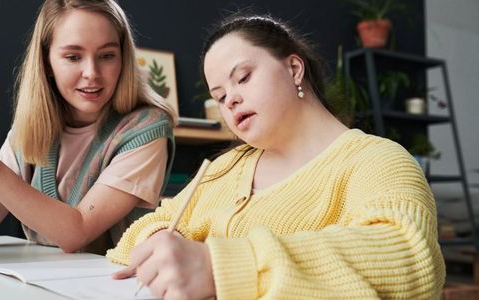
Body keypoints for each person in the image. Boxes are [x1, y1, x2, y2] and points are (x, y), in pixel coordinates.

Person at [108, 14, 445, 299]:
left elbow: (409, 259)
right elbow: (143, 230)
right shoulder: (225, 168)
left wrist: (218, 267)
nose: (231, 100)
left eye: (243, 78)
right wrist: (165, 248)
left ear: (294, 68)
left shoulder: (377, 160)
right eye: (220, 95)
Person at [0, 0, 177, 255]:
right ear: (46, 62)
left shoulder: (146, 129)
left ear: (123, 59)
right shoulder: (31, 133)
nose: (92, 72)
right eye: (73, 57)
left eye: (107, 55)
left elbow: (77, 232)